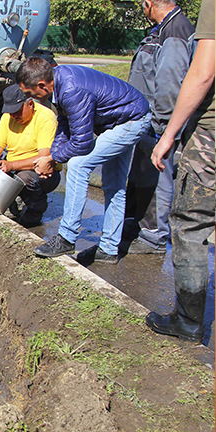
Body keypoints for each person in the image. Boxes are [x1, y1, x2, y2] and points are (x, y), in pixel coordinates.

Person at [15, 58, 151, 264]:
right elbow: (64, 125)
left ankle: (67, 237)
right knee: (114, 183)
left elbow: (82, 143)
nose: (29, 98)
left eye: (29, 93)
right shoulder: (58, 83)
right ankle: (109, 248)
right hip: (120, 120)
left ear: (41, 85)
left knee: (79, 164)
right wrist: (50, 156)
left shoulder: (71, 90)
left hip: (132, 120)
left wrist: (52, 158)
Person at [147, 0, 214, 343]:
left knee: (190, 224)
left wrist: (169, 132)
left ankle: (188, 321)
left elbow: (201, 73)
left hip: (211, 134)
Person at [122, 0, 195, 255]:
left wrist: (163, 126)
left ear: (148, 4)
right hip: (146, 118)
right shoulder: (162, 29)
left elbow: (169, 84)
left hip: (159, 122)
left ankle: (154, 236)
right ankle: (135, 223)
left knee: (159, 175)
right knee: (141, 173)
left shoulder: (174, 32)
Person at [0, 84, 60, 227]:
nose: (14, 116)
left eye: (18, 112)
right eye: (11, 112)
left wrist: (11, 165)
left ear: (30, 104)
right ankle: (10, 202)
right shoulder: (8, 117)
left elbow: (43, 158)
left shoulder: (46, 118)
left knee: (24, 178)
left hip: (39, 172)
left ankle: (36, 208)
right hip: (12, 167)